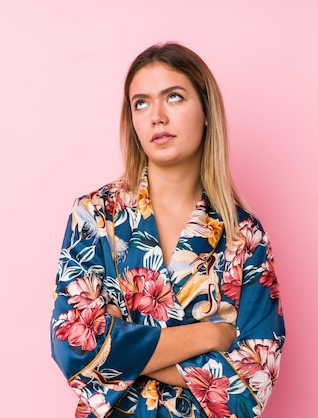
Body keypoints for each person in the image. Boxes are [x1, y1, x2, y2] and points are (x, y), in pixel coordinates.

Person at [51, 42, 285, 418]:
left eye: (173, 97)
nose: (156, 116)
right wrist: (209, 336)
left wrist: (120, 348)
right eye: (141, 103)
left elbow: (250, 386)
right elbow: (74, 346)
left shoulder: (245, 237)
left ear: (206, 111)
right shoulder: (96, 216)